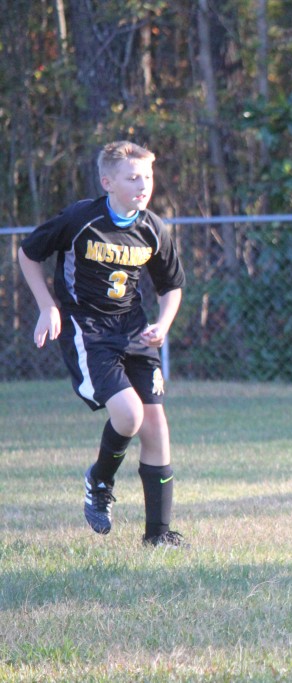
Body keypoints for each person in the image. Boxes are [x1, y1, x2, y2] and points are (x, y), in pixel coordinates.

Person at [18, 140, 187, 547]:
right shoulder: (81, 219)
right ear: (107, 181)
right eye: (132, 177)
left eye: (147, 176)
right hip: (88, 330)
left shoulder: (152, 228)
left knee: (156, 425)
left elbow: (172, 287)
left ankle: (158, 536)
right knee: (128, 416)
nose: (142, 184)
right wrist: (48, 306)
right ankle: (99, 480)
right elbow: (28, 253)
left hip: (134, 329)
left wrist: (163, 323)